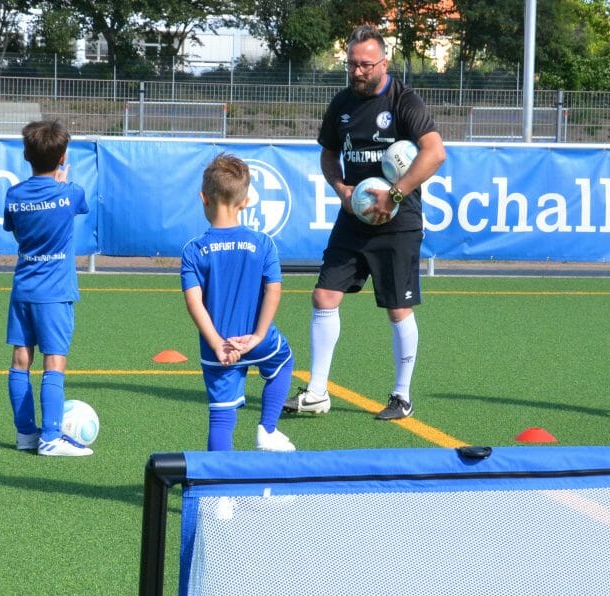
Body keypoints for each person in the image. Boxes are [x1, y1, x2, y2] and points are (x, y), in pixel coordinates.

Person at [284, 24, 446, 421]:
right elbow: (327, 155)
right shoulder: (341, 104)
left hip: (397, 221)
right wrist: (342, 191)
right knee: (324, 295)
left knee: (397, 309)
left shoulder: (404, 101)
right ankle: (318, 391)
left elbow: (435, 153)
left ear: (383, 63)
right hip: (353, 218)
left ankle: (401, 397)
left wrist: (395, 192)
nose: (357, 71)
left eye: (365, 65)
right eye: (352, 64)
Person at [181, 153, 297, 452]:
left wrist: (218, 343)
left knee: (221, 418)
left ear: (203, 198)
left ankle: (217, 495)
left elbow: (194, 303)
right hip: (255, 339)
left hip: (217, 349)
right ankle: (267, 429)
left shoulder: (194, 250)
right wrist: (258, 336)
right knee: (283, 362)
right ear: (245, 202)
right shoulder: (262, 243)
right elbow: (274, 290)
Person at [2, 120, 93, 457]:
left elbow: (13, 229)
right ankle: (51, 437)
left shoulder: (14, 194)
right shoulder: (70, 193)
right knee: (54, 361)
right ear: (63, 156)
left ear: (26, 155)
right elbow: (77, 206)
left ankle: (26, 433)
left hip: (23, 287)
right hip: (55, 292)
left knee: (20, 358)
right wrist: (60, 184)